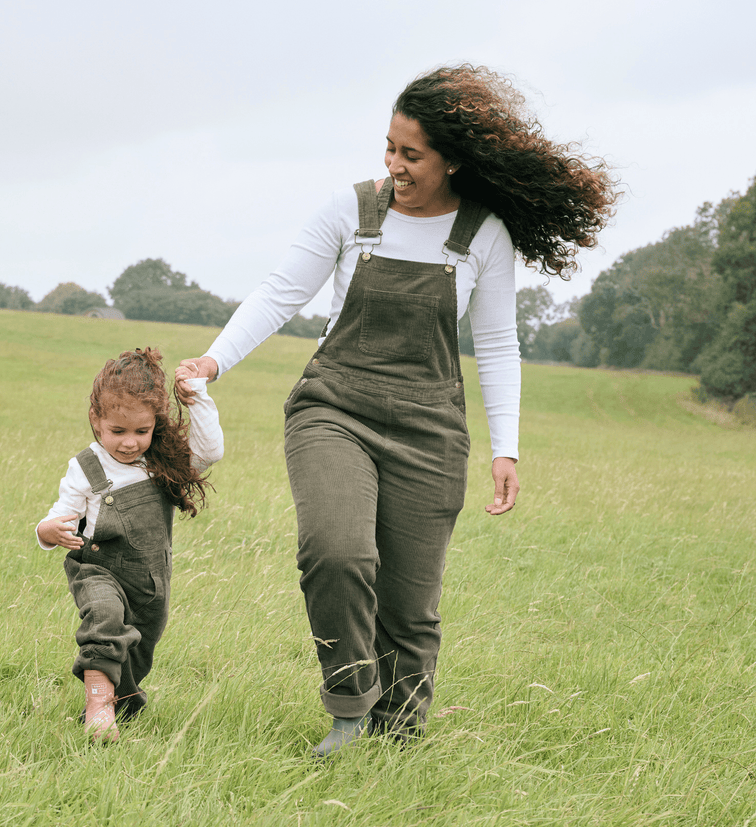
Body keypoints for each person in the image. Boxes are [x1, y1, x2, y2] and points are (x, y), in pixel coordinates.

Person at [175, 64, 617, 756]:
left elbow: (498, 343)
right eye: (389, 147)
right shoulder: (350, 212)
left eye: (411, 154)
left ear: (453, 160)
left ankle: (399, 740)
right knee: (337, 554)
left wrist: (507, 447)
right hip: (334, 409)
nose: (393, 165)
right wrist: (213, 360)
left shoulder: (484, 234)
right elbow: (280, 292)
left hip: (430, 429)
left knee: (411, 608)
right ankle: (350, 709)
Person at [37, 347, 223, 742]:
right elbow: (61, 512)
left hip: (151, 580)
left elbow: (209, 453)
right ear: (96, 419)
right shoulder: (86, 467)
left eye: (142, 431)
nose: (128, 443)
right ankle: (97, 708)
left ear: (156, 423)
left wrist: (199, 397)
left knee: (140, 646)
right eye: (117, 432)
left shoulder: (161, 462)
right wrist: (47, 530)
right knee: (104, 618)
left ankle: (123, 700)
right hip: (97, 567)